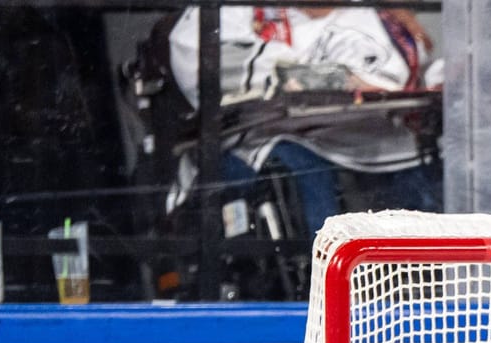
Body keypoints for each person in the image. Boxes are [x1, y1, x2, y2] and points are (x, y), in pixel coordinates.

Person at [167, 5, 441, 238]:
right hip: (265, 146)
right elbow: (203, 64)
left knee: (426, 169)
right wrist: (318, 77)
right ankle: (314, 285)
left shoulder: (370, 17)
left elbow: (394, 81)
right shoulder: (236, 11)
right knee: (295, 165)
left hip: (371, 147)